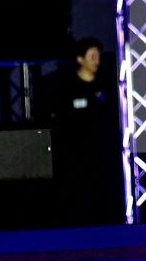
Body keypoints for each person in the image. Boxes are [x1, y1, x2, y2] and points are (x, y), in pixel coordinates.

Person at [45, 38, 119, 224]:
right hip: (75, 152)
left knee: (101, 190)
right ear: (80, 59)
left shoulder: (106, 84)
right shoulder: (66, 87)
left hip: (101, 150)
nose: (97, 61)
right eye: (92, 56)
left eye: (98, 56)